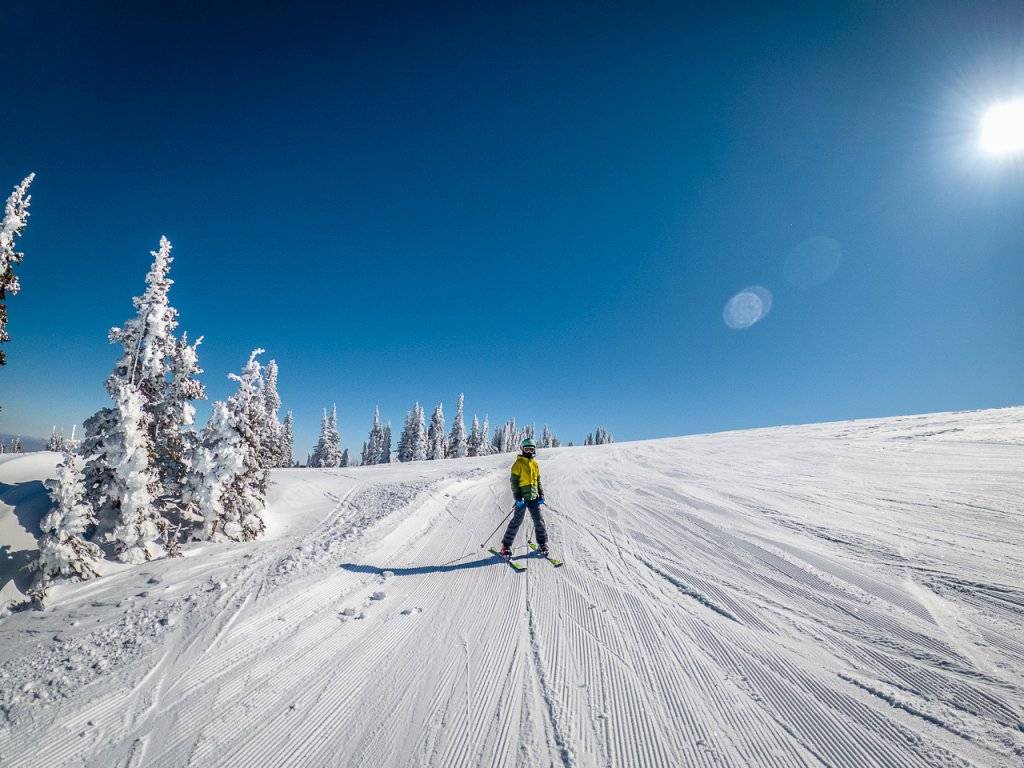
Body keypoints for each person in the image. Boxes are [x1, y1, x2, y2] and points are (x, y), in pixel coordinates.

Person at [500, 437, 549, 556]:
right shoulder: (518, 464)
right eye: (526, 449)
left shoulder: (535, 464)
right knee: (517, 521)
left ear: (534, 450)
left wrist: (541, 493)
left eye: (531, 450)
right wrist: (517, 497)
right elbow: (514, 482)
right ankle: (505, 546)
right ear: (522, 449)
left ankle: (542, 543)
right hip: (522, 498)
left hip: (533, 498)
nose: (529, 452)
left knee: (539, 521)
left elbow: (538, 481)